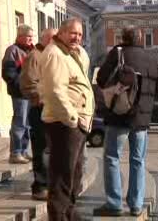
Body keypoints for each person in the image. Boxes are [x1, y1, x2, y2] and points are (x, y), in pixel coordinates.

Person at [94, 26, 158, 217]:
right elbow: (157, 88)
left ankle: (114, 203)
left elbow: (100, 78)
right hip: (141, 120)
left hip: (118, 116)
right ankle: (136, 204)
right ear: (141, 39)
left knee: (111, 158)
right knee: (138, 160)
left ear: (122, 37)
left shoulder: (118, 53)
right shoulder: (152, 58)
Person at [39, 18, 95, 221]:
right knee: (62, 175)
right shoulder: (55, 54)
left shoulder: (72, 53)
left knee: (74, 173)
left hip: (76, 124)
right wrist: (72, 118)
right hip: (64, 124)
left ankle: (69, 212)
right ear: (61, 33)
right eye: (73, 33)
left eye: (80, 34)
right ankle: (59, 216)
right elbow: (55, 91)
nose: (77, 37)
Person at [20, 28, 57, 200]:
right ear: (48, 39)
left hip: (51, 109)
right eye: (55, 39)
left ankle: (49, 184)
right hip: (40, 108)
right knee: (41, 149)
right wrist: (42, 97)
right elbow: (28, 83)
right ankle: (40, 186)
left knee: (49, 148)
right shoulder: (35, 56)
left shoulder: (50, 55)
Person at [2, 24, 34, 164]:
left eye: (32, 37)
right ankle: (15, 153)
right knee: (19, 123)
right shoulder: (12, 50)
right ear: (20, 36)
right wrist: (19, 86)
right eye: (28, 36)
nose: (30, 39)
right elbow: (8, 73)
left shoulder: (31, 51)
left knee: (27, 125)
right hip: (20, 94)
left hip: (31, 93)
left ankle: (23, 151)